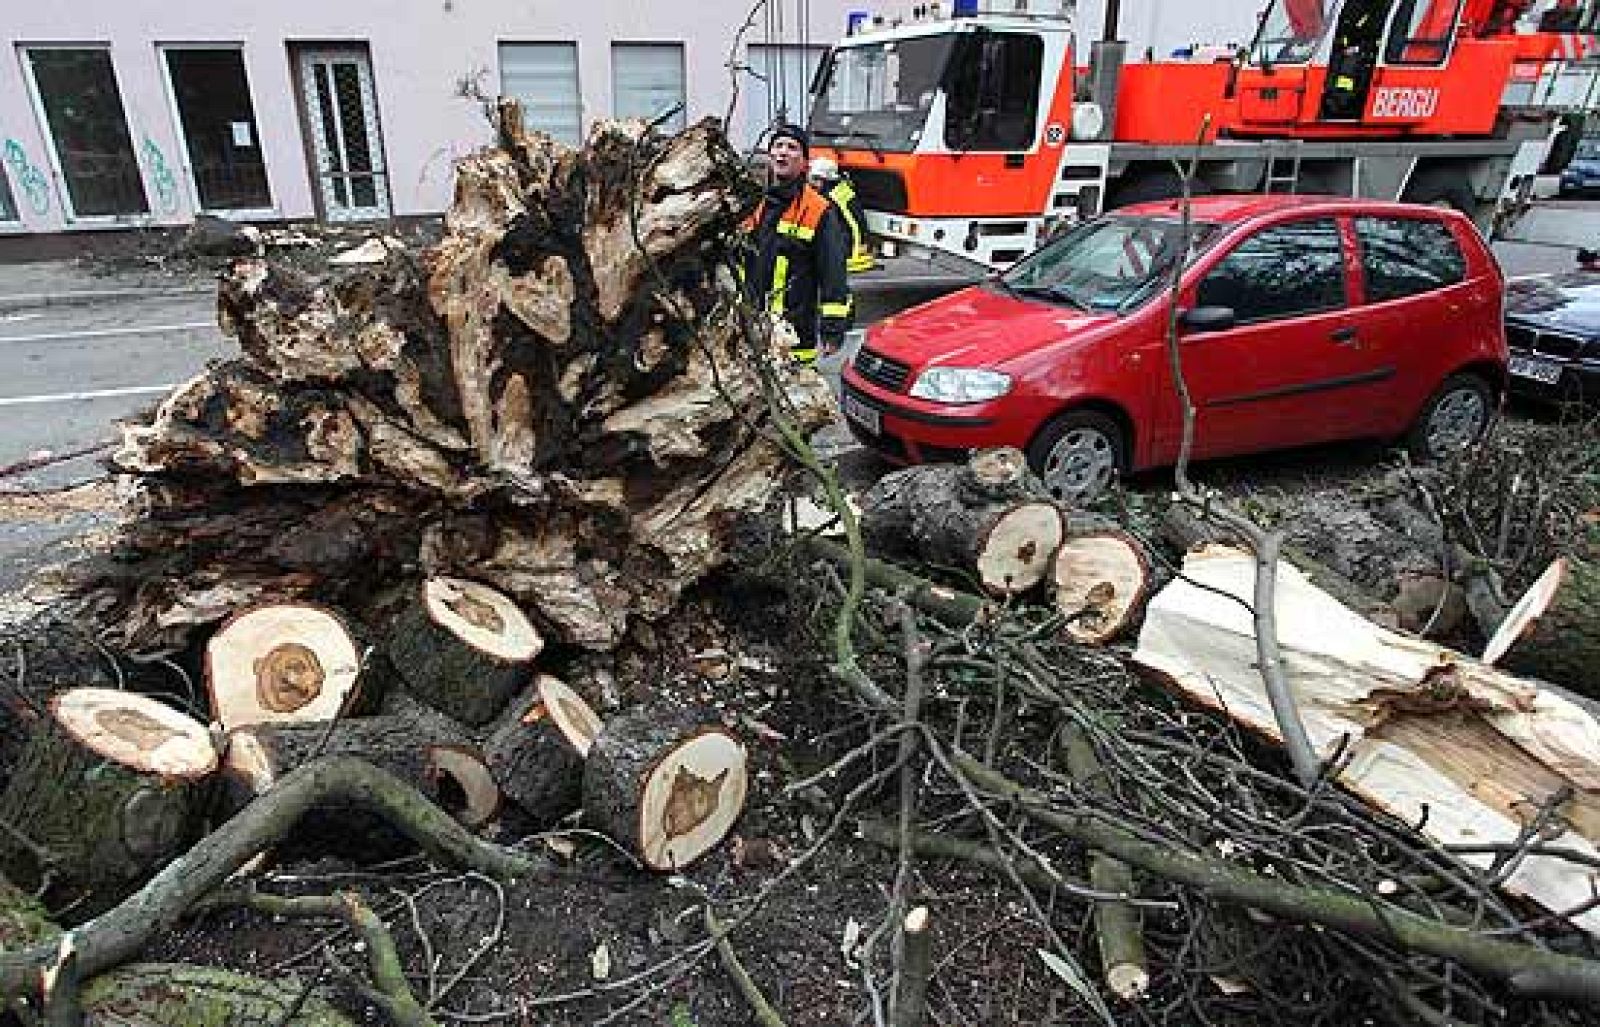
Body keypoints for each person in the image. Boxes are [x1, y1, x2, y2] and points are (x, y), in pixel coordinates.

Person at [742, 124, 853, 364]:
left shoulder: (818, 209)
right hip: (752, 327)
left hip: (794, 334)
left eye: (792, 148)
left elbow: (833, 273)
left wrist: (832, 330)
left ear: (804, 162)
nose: (782, 152)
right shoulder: (754, 203)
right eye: (778, 146)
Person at [809, 156, 877, 273]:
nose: (812, 183)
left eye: (815, 179)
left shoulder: (836, 196)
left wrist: (856, 252)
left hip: (845, 246)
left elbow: (855, 225)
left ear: (825, 179)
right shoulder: (837, 191)